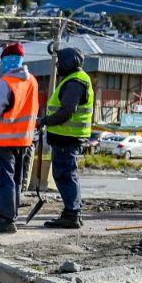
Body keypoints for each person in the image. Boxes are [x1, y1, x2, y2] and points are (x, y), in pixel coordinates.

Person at [0, 42, 39, 233]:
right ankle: (10, 216)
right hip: (23, 141)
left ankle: (6, 221)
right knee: (15, 180)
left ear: (6, 60)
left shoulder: (5, 83)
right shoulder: (32, 81)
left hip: (2, 141)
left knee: (1, 179)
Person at [39, 47, 92, 228]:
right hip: (65, 138)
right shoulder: (74, 80)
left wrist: (45, 121)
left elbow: (67, 111)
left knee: (65, 175)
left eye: (60, 62)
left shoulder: (75, 83)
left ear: (69, 63)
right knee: (67, 175)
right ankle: (74, 211)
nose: (57, 65)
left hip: (66, 139)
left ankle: (72, 214)